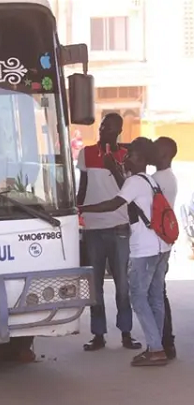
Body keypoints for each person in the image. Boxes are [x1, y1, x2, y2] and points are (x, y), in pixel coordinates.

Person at [79, 137, 170, 366]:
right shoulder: (150, 180)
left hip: (146, 249)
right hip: (162, 247)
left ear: (139, 158)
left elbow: (112, 204)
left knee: (138, 297)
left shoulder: (134, 182)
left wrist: (81, 208)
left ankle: (156, 349)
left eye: (130, 156)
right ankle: (156, 346)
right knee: (155, 298)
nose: (125, 158)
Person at [76, 113, 141, 352]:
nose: (104, 131)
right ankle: (98, 335)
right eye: (103, 127)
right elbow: (82, 187)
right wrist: (76, 212)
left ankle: (126, 333)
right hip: (93, 227)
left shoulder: (126, 157)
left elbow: (128, 192)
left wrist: (113, 167)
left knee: (122, 285)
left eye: (111, 129)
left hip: (119, 227)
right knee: (95, 287)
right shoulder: (86, 153)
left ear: (119, 133)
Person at [150, 137, 178, 359]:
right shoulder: (168, 177)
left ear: (166, 155)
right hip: (164, 241)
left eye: (155, 148)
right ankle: (166, 341)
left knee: (156, 293)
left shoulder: (156, 179)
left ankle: (163, 341)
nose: (151, 150)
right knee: (159, 292)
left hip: (156, 243)